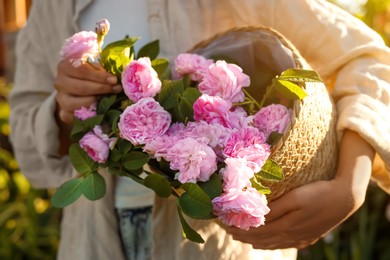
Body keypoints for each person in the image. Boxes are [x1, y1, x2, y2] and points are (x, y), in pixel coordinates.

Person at [9, 0, 390, 259]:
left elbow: (368, 61)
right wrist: (62, 109)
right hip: (94, 242)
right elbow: (27, 141)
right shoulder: (54, 6)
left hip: (222, 246)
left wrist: (348, 187)